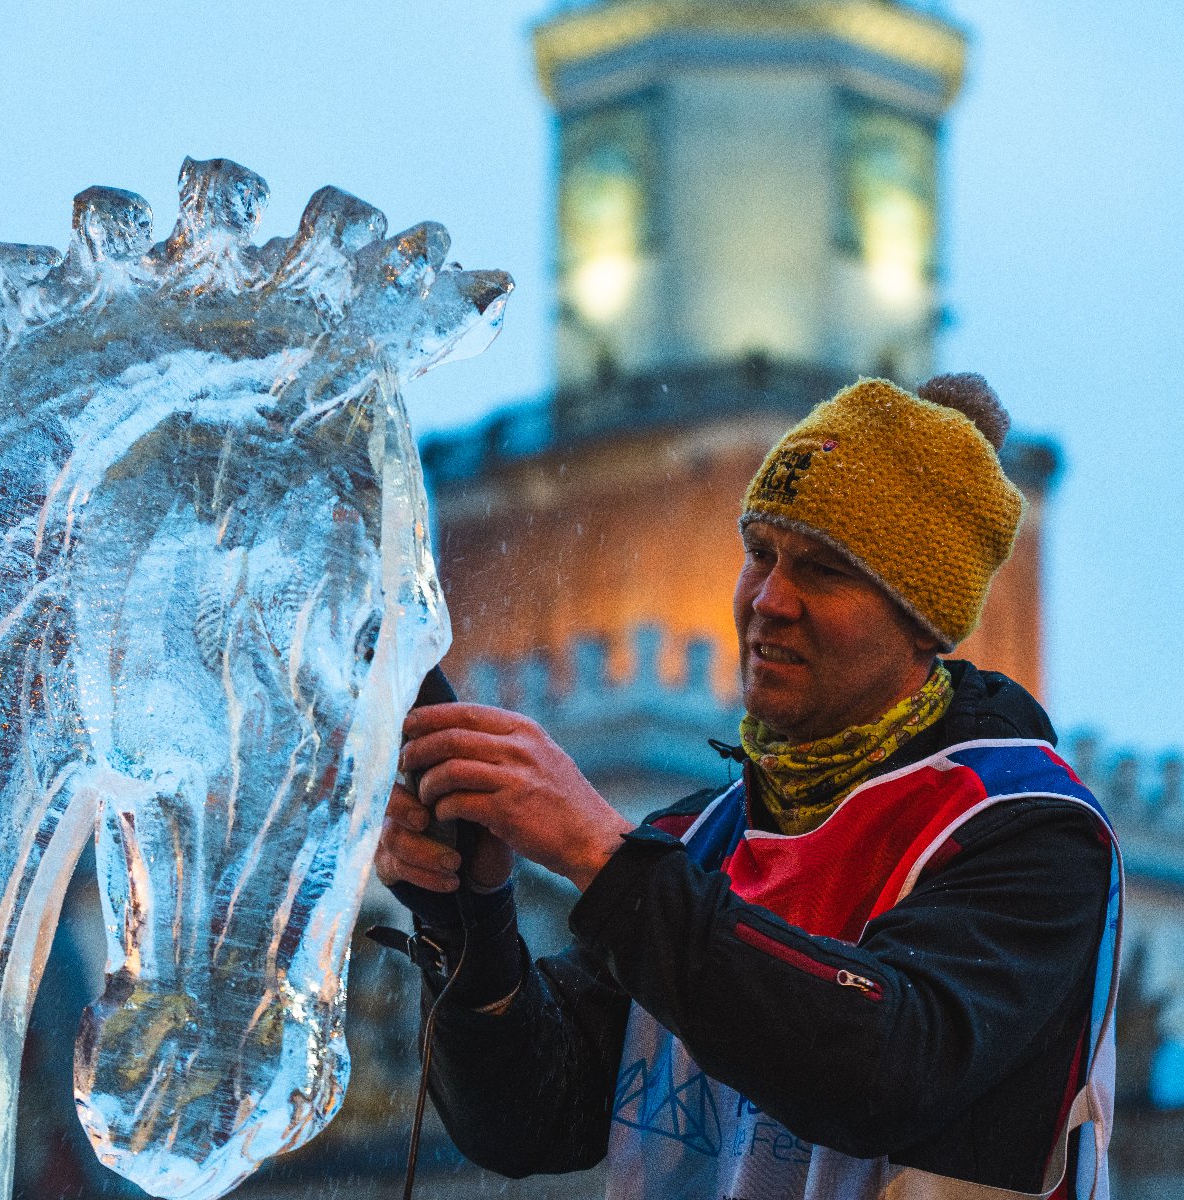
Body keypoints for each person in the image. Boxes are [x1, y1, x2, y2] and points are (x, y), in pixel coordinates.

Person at [375, 375, 1122, 1200]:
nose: (768, 600)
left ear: (922, 620)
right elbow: (528, 1120)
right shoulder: (700, 840)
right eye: (759, 554)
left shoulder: (1032, 834)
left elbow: (883, 1067)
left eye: (823, 570)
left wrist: (602, 857)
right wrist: (466, 906)